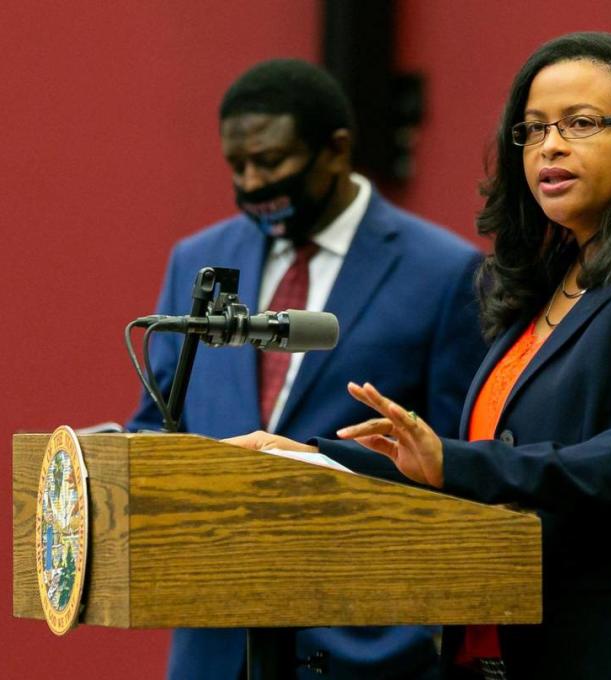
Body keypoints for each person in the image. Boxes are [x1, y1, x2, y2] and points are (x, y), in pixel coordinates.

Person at [230, 32, 611, 679]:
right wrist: (319, 460)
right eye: (534, 129)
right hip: (502, 651)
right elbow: (473, 469)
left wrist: (453, 461)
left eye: (581, 123)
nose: (551, 145)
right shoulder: (538, 285)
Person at [126, 59, 486, 680]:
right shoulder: (199, 259)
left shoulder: (446, 272)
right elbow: (160, 418)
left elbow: (455, 463)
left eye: (271, 162)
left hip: (366, 640)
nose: (252, 182)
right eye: (236, 166)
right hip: (214, 643)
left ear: (335, 150)